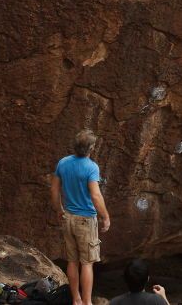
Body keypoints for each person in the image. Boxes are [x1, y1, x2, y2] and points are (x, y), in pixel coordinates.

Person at [51, 130, 112, 305]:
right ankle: (86, 302)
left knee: (72, 261)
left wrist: (59, 209)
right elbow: (96, 195)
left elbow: (54, 189)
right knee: (87, 263)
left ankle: (76, 300)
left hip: (68, 217)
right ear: (91, 148)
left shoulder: (63, 163)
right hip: (85, 220)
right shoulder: (91, 167)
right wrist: (105, 216)